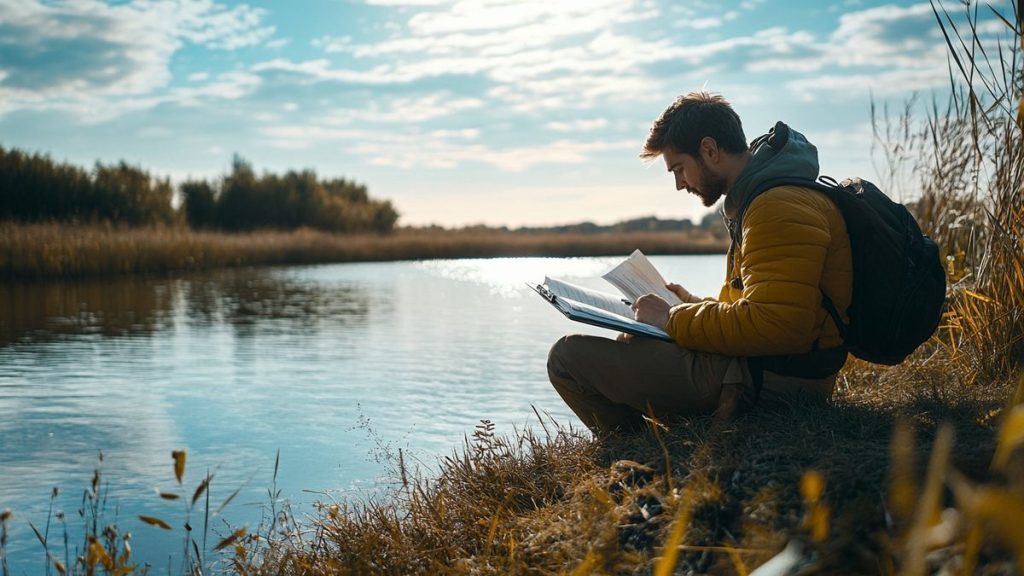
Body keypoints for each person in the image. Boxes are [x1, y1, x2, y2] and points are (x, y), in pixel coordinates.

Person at [546, 91, 853, 433]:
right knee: (633, 339)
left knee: (566, 358)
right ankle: (651, 443)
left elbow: (778, 325)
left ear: (709, 150)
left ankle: (640, 448)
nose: (679, 185)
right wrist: (688, 304)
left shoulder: (776, 207)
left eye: (679, 168)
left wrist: (672, 317)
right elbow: (762, 307)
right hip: (766, 369)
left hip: (775, 382)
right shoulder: (764, 198)